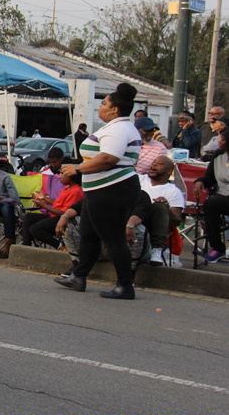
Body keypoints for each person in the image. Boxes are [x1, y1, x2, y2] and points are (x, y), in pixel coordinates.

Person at [56, 83, 141, 300]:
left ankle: (125, 285)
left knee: (113, 238)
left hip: (112, 190)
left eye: (104, 104)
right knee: (90, 235)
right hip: (100, 190)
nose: (100, 107)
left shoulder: (118, 129)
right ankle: (79, 276)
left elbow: (108, 159)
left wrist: (77, 168)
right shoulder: (117, 126)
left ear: (114, 110)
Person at [127, 155, 184, 267]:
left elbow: (176, 221)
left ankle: (156, 250)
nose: (154, 165)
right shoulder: (139, 179)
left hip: (152, 226)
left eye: (160, 164)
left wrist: (166, 207)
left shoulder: (173, 191)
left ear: (169, 171)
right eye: (153, 162)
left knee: (160, 205)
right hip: (132, 218)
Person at [193, 128, 229, 263]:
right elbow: (210, 178)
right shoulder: (218, 156)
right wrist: (200, 182)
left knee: (213, 202)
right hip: (223, 198)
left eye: (223, 140)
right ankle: (217, 248)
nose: (219, 141)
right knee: (211, 204)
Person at [22, 170, 83, 249]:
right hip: (55, 216)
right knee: (28, 217)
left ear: (71, 177)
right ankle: (26, 248)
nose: (60, 177)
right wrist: (44, 198)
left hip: (64, 220)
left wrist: (43, 205)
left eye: (63, 175)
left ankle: (60, 246)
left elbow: (63, 213)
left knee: (35, 229)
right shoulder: (67, 188)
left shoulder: (76, 191)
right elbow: (58, 204)